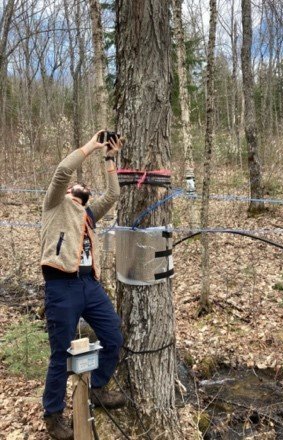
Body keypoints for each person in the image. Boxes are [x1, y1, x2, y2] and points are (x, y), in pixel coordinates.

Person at [40, 131, 125, 440]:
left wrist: (110, 158)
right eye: (80, 186)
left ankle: (98, 388)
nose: (83, 186)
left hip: (89, 285)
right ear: (67, 192)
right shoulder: (55, 205)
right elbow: (63, 171)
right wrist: (93, 144)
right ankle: (52, 415)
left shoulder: (89, 214)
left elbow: (113, 195)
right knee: (59, 354)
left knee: (114, 336)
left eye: (85, 187)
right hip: (61, 286)